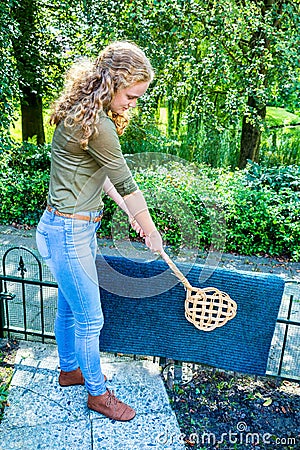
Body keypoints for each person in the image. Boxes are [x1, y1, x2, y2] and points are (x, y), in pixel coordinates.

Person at [36, 41, 163, 422]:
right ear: (114, 83)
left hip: (65, 227)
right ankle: (97, 393)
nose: (133, 104)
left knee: (69, 308)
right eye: (131, 95)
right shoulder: (99, 124)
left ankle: (69, 369)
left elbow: (100, 175)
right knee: (91, 319)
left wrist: (131, 216)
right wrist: (151, 231)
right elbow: (125, 180)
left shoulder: (83, 113)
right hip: (69, 232)